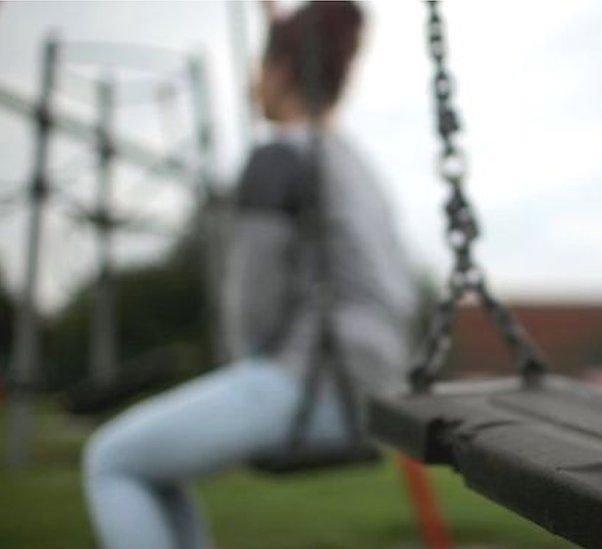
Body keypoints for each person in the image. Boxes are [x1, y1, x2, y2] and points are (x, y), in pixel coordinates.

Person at [83, 4, 418, 548]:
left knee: (112, 459)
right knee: (157, 468)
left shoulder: (277, 160)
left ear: (281, 72)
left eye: (259, 67)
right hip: (378, 389)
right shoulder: (354, 164)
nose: (250, 81)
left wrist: (245, 366)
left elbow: (252, 302)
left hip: (312, 383)